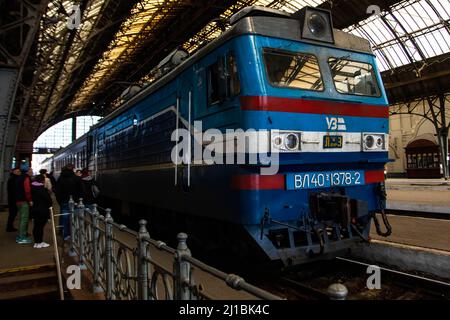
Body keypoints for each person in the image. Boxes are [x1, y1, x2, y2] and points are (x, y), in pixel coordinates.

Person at [55, 164, 82, 239]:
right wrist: (78, 200)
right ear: (73, 169)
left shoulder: (60, 179)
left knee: (65, 218)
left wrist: (60, 201)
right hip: (75, 202)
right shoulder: (76, 178)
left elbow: (57, 192)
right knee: (75, 219)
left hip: (64, 201)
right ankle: (74, 235)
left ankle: (66, 235)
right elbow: (81, 191)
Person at [30, 174, 52, 248]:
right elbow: (48, 200)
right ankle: (40, 242)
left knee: (36, 226)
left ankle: (36, 242)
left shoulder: (32, 187)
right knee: (40, 227)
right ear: (43, 180)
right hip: (42, 210)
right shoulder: (42, 189)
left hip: (34, 209)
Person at [14, 167, 33, 244]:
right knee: (24, 219)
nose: (32, 172)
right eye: (31, 170)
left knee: (21, 218)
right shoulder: (26, 178)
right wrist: (30, 200)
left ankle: (20, 235)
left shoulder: (18, 178)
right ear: (27, 172)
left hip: (18, 200)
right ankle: (22, 237)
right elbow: (27, 190)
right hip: (23, 201)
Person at [6, 168, 21, 232]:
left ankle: (10, 226)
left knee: (13, 213)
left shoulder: (12, 178)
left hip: (12, 198)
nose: (19, 172)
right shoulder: (13, 179)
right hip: (13, 199)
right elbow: (13, 190)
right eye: (17, 171)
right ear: (14, 172)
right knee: (13, 213)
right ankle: (9, 227)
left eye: (19, 171)